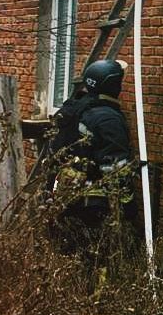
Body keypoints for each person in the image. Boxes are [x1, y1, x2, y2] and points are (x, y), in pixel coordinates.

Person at [48, 59, 139, 263]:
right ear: (114, 85)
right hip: (93, 206)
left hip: (65, 197)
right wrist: (129, 206)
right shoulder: (108, 119)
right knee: (95, 261)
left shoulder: (74, 108)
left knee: (69, 259)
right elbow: (116, 169)